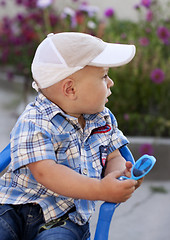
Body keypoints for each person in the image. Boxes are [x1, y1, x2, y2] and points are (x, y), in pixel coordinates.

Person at [0, 32, 142, 240]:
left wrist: (120, 177)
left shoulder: (103, 119)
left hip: (66, 217)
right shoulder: (34, 121)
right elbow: (46, 173)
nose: (110, 82)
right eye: (104, 76)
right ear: (70, 89)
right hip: (14, 207)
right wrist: (100, 189)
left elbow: (114, 156)